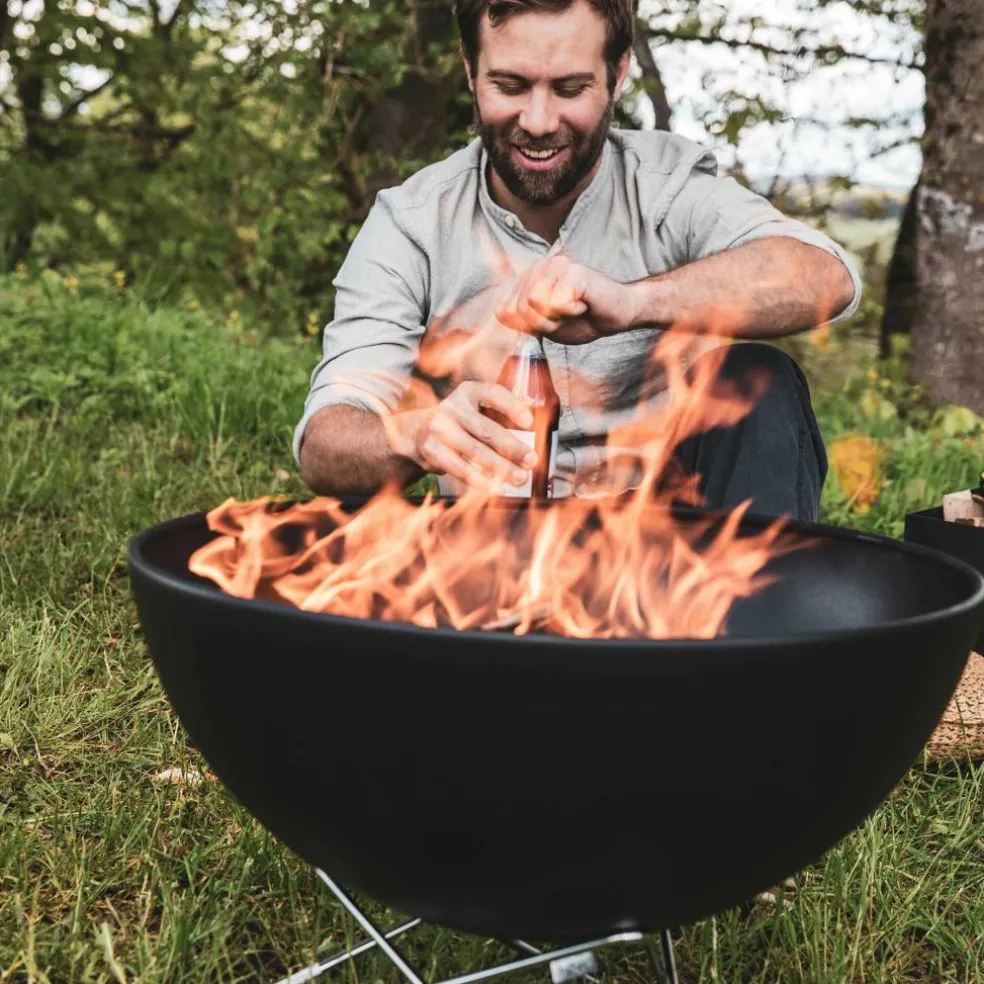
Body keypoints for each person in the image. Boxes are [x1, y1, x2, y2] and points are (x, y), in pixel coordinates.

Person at [293, 0, 862, 522]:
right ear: (470, 70)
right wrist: (414, 436)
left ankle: (763, 626)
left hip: (678, 557)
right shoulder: (411, 223)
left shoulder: (670, 188)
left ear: (616, 74)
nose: (538, 122)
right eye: (510, 85)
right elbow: (326, 442)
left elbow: (824, 277)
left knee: (761, 378)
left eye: (569, 88)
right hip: (495, 551)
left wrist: (638, 301)